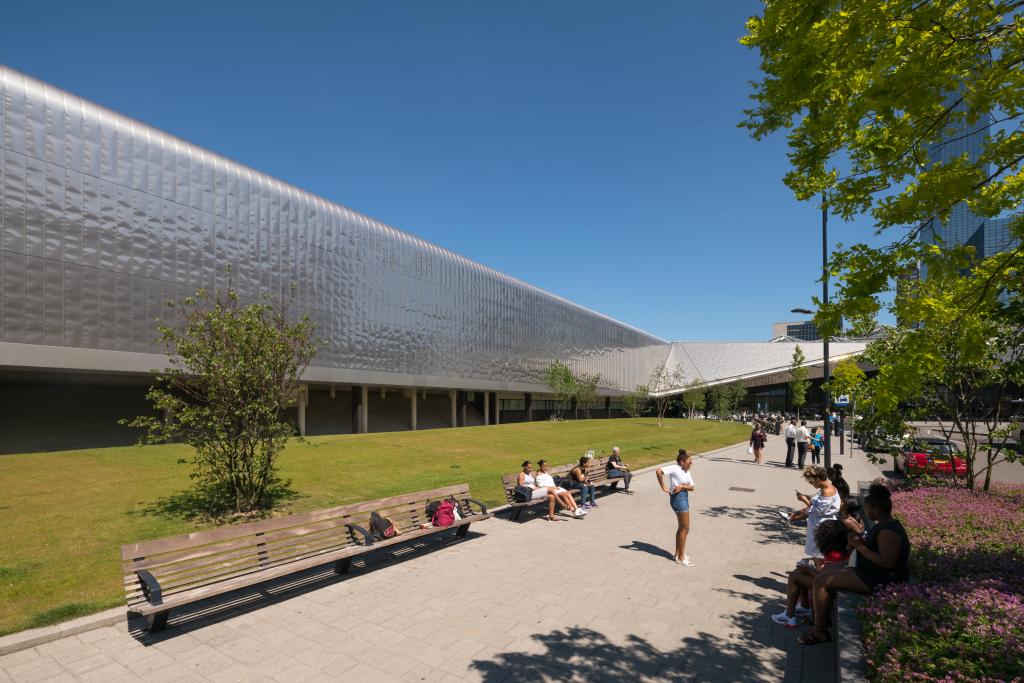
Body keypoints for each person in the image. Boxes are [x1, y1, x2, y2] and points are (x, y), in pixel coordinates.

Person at [799, 484, 910, 646]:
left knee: (821, 581)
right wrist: (858, 544)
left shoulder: (889, 531)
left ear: (877, 510)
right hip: (868, 569)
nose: (865, 511)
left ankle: (820, 631)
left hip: (879, 578)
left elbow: (887, 562)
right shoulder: (883, 524)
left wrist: (858, 546)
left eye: (868, 508)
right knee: (826, 569)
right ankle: (824, 615)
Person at [772, 520, 850, 627]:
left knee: (794, 576)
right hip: (833, 584)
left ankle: (789, 616)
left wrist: (808, 569)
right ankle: (805, 606)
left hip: (831, 588)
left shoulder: (834, 555)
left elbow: (824, 578)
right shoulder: (839, 550)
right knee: (799, 572)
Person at [785, 465, 842, 559]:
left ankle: (818, 572)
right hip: (819, 525)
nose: (811, 484)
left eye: (811, 481)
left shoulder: (827, 491)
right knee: (816, 554)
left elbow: (816, 510)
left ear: (818, 478)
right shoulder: (826, 488)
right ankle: (817, 571)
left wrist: (803, 500)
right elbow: (815, 504)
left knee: (818, 555)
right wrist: (797, 512)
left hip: (821, 527)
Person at [656, 449, 696, 566]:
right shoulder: (675, 468)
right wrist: (663, 487)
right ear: (682, 461)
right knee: (685, 528)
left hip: (684, 497)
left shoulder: (686, 470)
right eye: (690, 461)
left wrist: (682, 486)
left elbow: (692, 487)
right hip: (678, 499)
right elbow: (658, 471)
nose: (691, 463)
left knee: (682, 528)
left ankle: (678, 554)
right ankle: (681, 557)